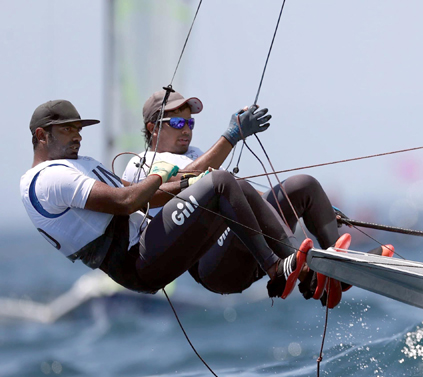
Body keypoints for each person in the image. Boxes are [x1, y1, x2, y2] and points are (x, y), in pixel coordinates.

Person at [122, 89, 392, 307]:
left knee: (303, 186)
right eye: (178, 123)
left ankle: (339, 271)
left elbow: (240, 199)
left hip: (244, 245)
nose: (187, 129)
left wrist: (316, 207)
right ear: (153, 128)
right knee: (231, 182)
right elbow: (182, 183)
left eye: (190, 122)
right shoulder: (141, 164)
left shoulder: (195, 153)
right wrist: (230, 137)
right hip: (213, 267)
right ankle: (305, 272)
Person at [20, 99, 313, 299]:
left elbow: (148, 198)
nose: (78, 136)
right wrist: (157, 175)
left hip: (149, 243)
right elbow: (127, 202)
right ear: (41, 135)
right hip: (137, 260)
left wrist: (190, 182)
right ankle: (276, 269)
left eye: (79, 129)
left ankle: (305, 270)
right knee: (222, 182)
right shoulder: (47, 178)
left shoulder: (77, 163)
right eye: (68, 129)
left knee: (228, 182)